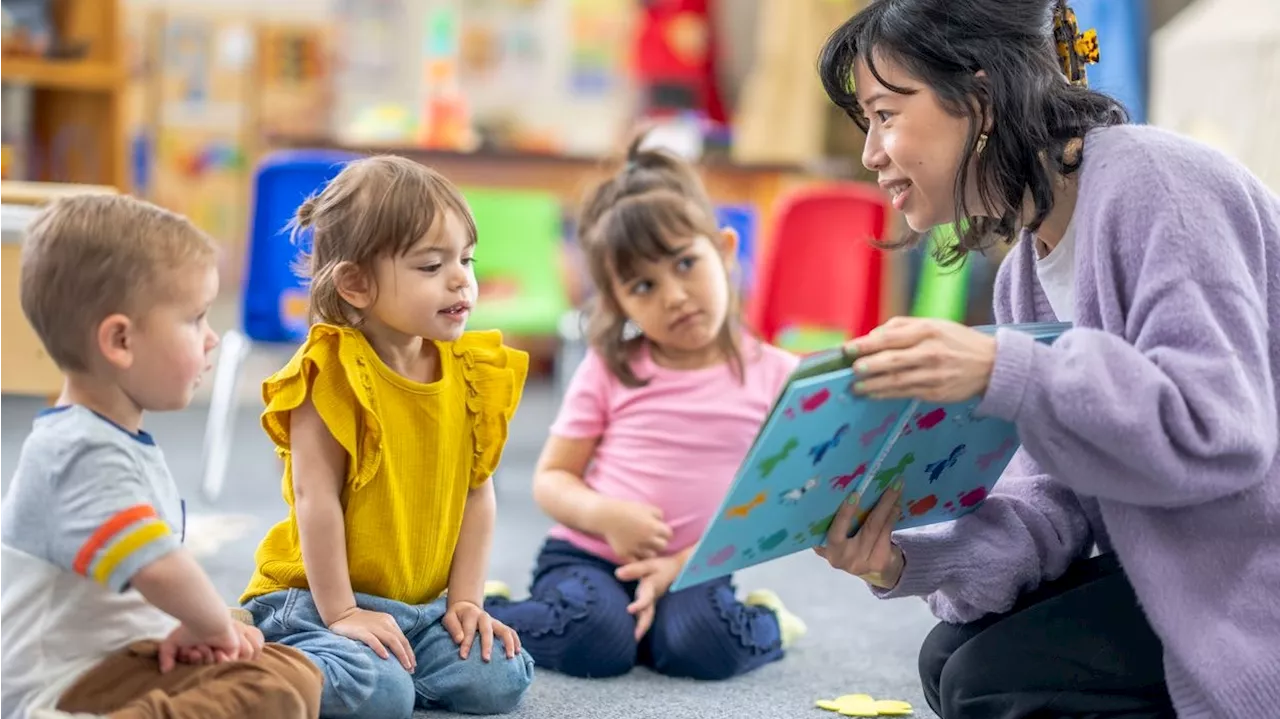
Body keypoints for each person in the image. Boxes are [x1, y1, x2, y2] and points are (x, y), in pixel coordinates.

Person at [812, 1, 1280, 717]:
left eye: (885, 114)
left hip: (1254, 565)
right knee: (950, 659)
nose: (872, 152)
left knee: (988, 682)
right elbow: (1051, 505)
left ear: (981, 98)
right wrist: (904, 559)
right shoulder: (1023, 274)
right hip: (1175, 555)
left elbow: (1220, 432)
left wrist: (1004, 367)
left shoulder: (1158, 183)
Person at [483, 136, 807, 680]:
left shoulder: (777, 375)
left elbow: (777, 503)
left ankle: (766, 619)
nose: (675, 295)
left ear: (726, 252)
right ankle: (496, 611)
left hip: (696, 566)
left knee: (701, 647)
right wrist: (604, 516)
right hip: (589, 557)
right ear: (618, 303)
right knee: (597, 642)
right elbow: (553, 477)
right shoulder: (612, 366)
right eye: (643, 285)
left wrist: (686, 563)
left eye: (686, 263)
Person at [0, 194, 322, 719]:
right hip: (65, 685)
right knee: (270, 688)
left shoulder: (102, 438)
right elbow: (157, 567)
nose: (213, 337)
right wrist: (210, 625)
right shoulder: (79, 453)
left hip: (117, 655)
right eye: (195, 319)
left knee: (286, 665)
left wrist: (213, 626)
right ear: (120, 340)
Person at [238, 156, 534, 718]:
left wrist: (466, 601)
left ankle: (385, 665)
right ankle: (257, 655)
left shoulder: (471, 372)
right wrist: (343, 613)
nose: (460, 279)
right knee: (381, 695)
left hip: (418, 608)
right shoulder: (330, 372)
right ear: (355, 283)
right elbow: (314, 501)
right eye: (430, 266)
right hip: (311, 600)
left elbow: (478, 492)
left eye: (466, 260)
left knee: (500, 677)